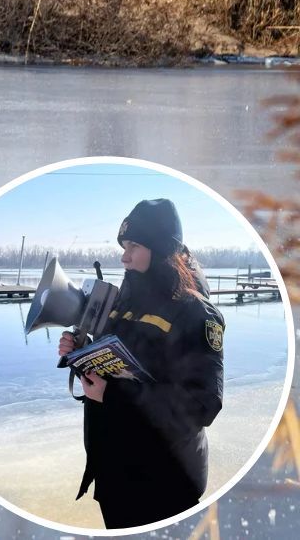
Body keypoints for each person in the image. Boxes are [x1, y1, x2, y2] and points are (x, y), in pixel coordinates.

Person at [60, 198, 224, 529]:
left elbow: (202, 405)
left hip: (164, 483)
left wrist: (113, 395)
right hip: (116, 473)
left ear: (161, 248)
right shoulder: (123, 303)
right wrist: (82, 352)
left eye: (134, 245)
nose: (124, 256)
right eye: (124, 246)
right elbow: (116, 362)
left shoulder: (196, 313)